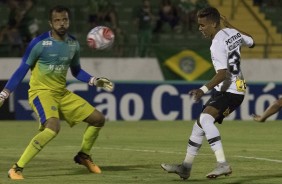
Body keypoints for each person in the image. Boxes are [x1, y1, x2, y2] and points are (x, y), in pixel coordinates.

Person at [0, 5, 114, 180]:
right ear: (50, 23)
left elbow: (76, 71)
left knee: (98, 119)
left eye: (65, 20)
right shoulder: (39, 43)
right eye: (57, 20)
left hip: (61, 93)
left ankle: (83, 155)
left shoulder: (73, 44)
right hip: (41, 92)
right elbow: (22, 69)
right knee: (53, 127)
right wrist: (5, 93)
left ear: (69, 21)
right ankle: (16, 168)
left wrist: (94, 80)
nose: (62, 23)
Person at [160, 7, 255, 180]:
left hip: (230, 90)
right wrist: (231, 26)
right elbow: (252, 41)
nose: (200, 29)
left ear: (213, 23)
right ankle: (185, 168)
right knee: (199, 126)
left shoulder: (216, 44)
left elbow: (222, 74)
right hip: (233, 88)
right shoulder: (232, 32)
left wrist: (202, 90)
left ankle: (222, 164)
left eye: (203, 25)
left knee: (205, 119)